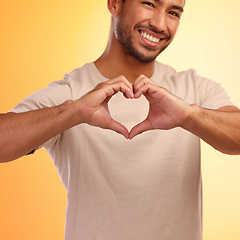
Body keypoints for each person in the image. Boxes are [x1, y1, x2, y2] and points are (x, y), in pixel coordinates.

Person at [1, 0, 240, 239]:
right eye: (149, 3)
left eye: (173, 12)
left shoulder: (194, 88)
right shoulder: (73, 92)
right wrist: (73, 112)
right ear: (115, 4)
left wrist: (189, 116)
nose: (159, 24)